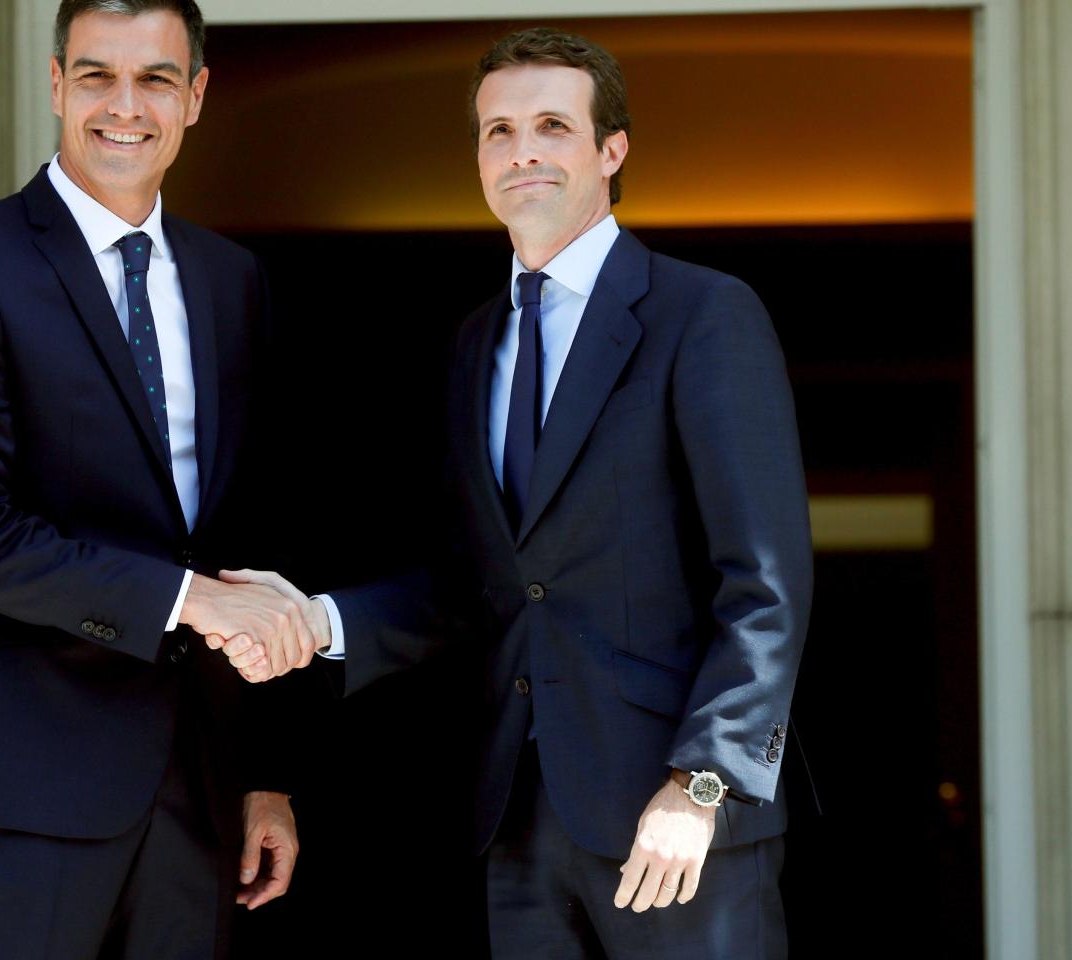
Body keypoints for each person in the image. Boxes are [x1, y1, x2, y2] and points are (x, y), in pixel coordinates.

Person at [217, 27, 811, 959]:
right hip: (516, 824)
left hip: (677, 827)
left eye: (552, 126)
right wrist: (320, 622)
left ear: (611, 150)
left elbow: (766, 585)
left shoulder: (703, 315)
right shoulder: (473, 344)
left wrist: (703, 786)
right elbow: (481, 588)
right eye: (499, 131)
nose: (522, 150)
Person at [0, 1, 321, 956]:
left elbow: (252, 539)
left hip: (199, 787)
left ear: (195, 96)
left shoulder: (231, 280)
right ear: (55, 84)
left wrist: (266, 774)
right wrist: (190, 599)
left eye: (156, 79)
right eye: (96, 76)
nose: (125, 106)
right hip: (26, 783)